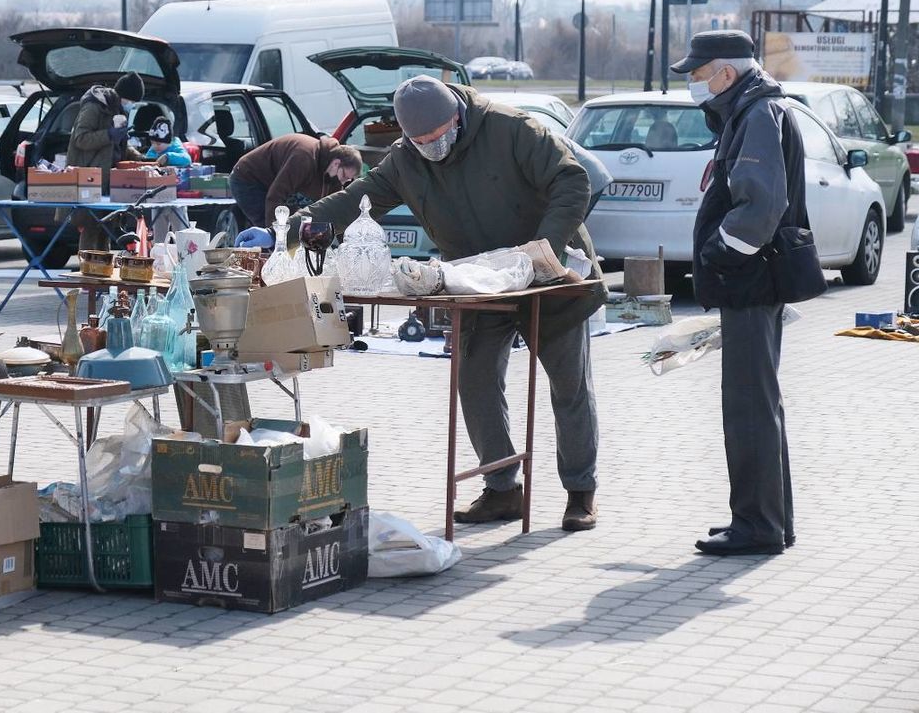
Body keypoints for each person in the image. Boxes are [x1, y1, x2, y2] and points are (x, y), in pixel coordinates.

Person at [238, 76, 606, 531]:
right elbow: (354, 199)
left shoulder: (513, 130)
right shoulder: (406, 161)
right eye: (420, 140)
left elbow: (573, 180)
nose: (433, 146)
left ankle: (580, 492)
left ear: (458, 115)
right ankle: (502, 488)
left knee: (569, 386)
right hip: (476, 279)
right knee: (474, 382)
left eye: (439, 136)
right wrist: (286, 231)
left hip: (549, 276)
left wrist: (542, 249)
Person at [673, 30, 810, 556]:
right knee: (759, 403)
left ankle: (757, 527)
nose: (693, 85)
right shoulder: (751, 111)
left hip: (751, 280)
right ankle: (770, 521)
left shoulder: (756, 116)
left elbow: (760, 208)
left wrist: (719, 255)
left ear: (725, 74)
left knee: (749, 407)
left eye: (697, 74)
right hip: (753, 280)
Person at [66, 71, 145, 250]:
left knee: (107, 227)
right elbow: (80, 138)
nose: (131, 105)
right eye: (131, 101)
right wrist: (108, 134)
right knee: (91, 227)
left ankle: (103, 269)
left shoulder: (117, 111)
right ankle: (88, 268)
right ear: (123, 96)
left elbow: (118, 147)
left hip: (110, 179)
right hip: (91, 178)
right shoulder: (95, 107)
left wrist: (139, 158)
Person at [229, 134, 362, 229]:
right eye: (344, 175)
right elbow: (275, 196)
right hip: (248, 178)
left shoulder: (334, 174)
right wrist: (273, 235)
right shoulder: (304, 158)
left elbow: (333, 208)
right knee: (269, 225)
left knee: (295, 223)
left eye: (348, 180)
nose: (343, 182)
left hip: (273, 182)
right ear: (336, 163)